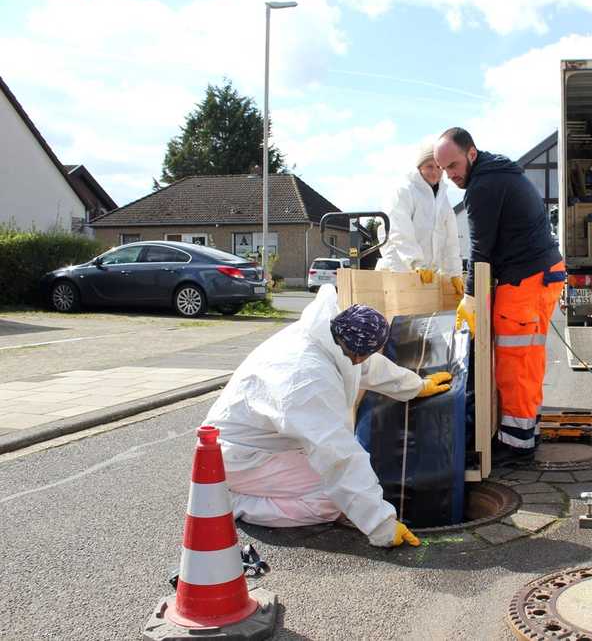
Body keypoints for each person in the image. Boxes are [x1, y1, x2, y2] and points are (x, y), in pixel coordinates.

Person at [204, 285, 452, 547]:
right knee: (331, 499)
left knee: (347, 485)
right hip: (239, 459)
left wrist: (415, 386)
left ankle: (247, 491)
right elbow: (338, 457)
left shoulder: (328, 336)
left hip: (262, 442)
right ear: (358, 353)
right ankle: (235, 503)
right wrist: (380, 524)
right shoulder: (308, 381)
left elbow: (366, 368)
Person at [433, 127, 565, 459]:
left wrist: (471, 298)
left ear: (471, 154)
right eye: (444, 169)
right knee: (528, 357)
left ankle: (516, 444)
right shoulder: (497, 172)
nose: (450, 176)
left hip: (526, 280)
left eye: (453, 166)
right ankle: (524, 432)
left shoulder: (483, 186)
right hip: (538, 275)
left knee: (515, 361)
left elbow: (481, 251)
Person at [375, 141, 465, 296]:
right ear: (419, 167)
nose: (435, 172)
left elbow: (450, 240)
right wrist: (416, 262)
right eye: (429, 166)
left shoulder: (443, 199)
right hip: (399, 272)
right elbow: (399, 230)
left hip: (426, 277)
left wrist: (454, 272)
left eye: (438, 167)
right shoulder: (404, 191)